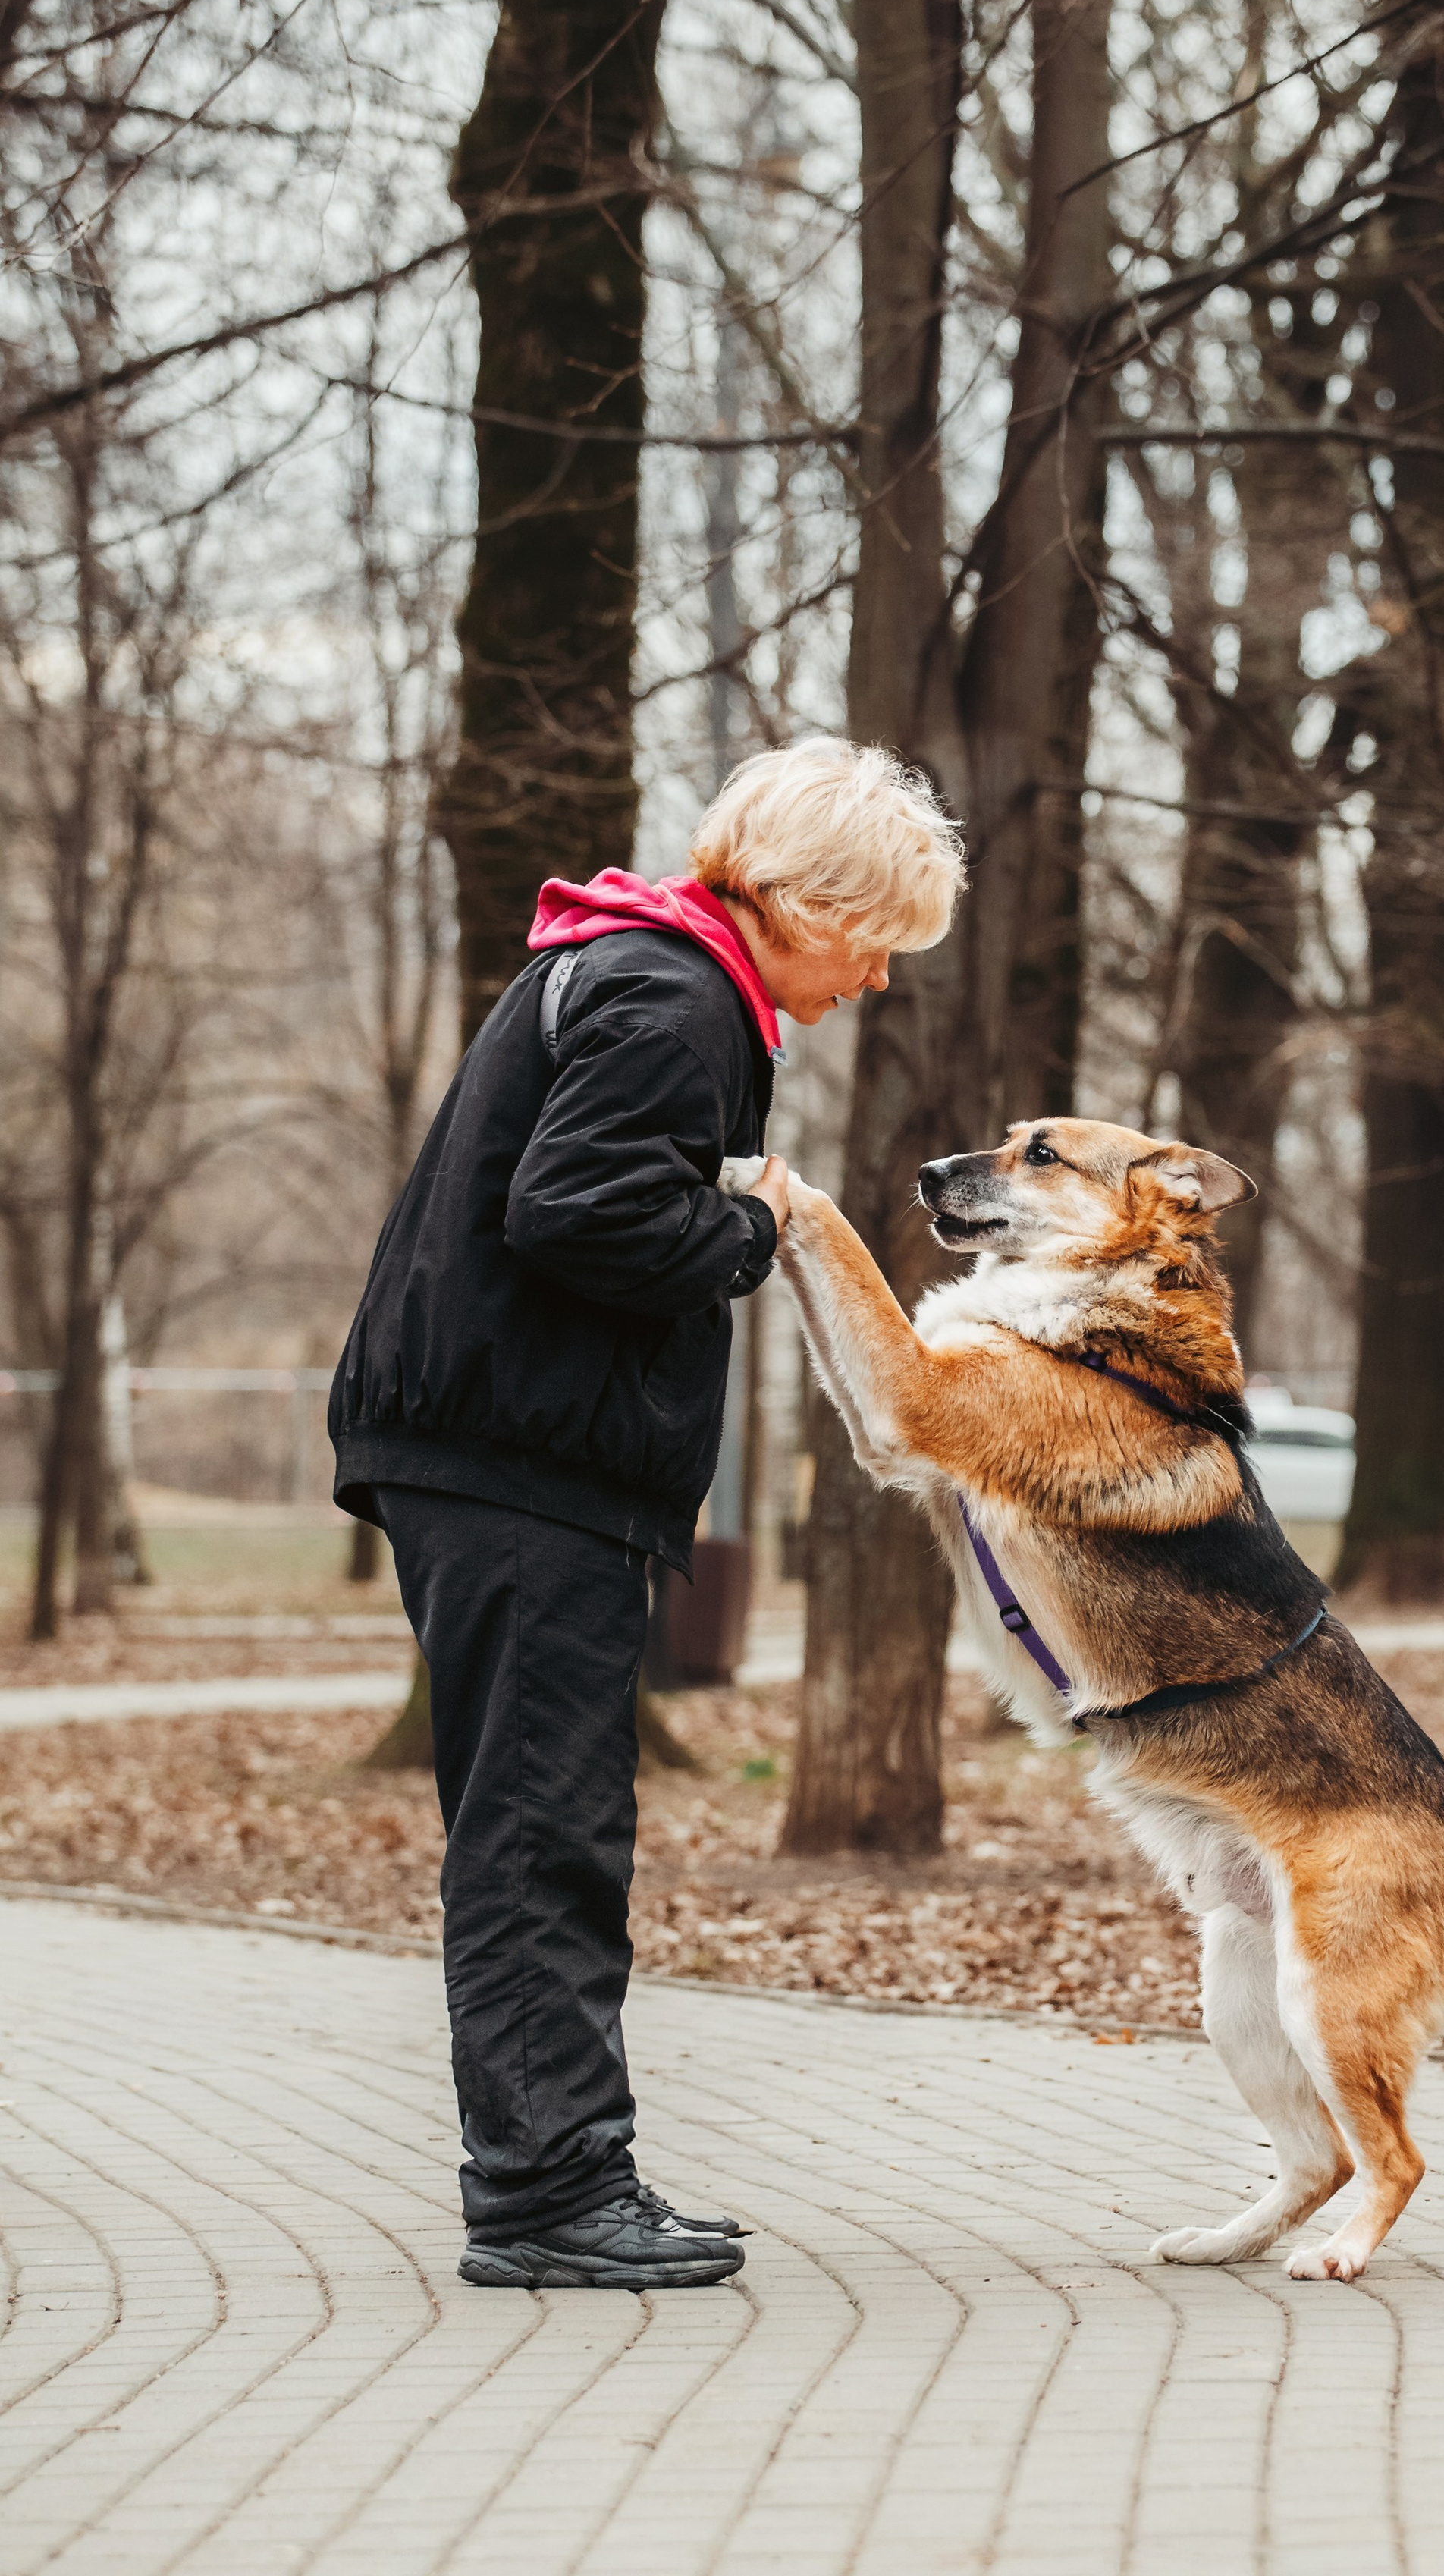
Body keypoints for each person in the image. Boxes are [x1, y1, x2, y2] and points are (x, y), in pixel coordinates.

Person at [330, 737, 964, 2290]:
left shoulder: (631, 970)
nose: (874, 977)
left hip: (494, 1455)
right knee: (543, 1835)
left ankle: (564, 2170)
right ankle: (548, 2198)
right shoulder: (670, 996)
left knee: (543, 1826)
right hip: (521, 1469)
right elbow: (579, 1209)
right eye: (873, 937)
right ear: (806, 902)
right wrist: (747, 1220)